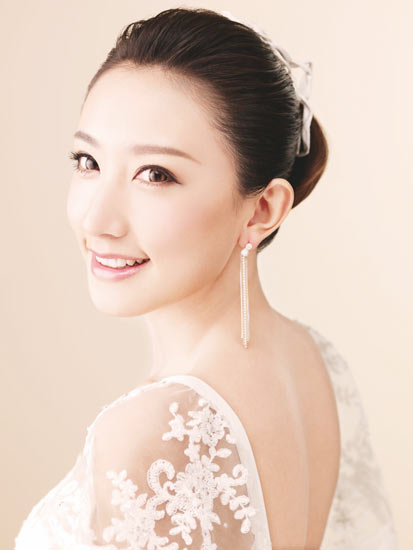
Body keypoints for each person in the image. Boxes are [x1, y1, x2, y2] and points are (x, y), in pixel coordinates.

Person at [15, 7, 398, 549]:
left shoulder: (149, 436)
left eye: (156, 174)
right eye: (87, 161)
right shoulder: (317, 361)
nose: (97, 220)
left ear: (262, 209)